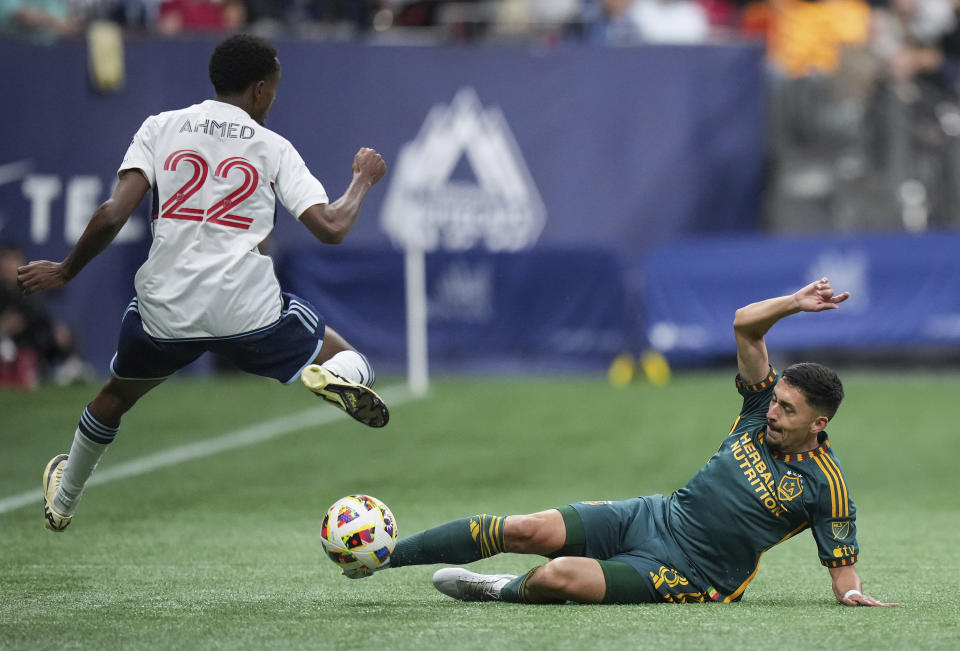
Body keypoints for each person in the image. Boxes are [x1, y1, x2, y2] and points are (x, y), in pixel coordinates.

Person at [17, 33, 389, 533]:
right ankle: (342, 379)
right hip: (247, 310)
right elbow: (332, 227)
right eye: (273, 92)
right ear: (259, 90)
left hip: (166, 311)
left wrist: (64, 269)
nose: (272, 102)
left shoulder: (161, 127)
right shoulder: (273, 147)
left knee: (113, 398)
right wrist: (363, 178)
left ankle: (63, 501)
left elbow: (110, 215)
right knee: (345, 352)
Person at [353, 278, 898, 607]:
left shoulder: (827, 486)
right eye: (775, 399)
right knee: (525, 528)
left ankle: (495, 588)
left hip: (693, 574)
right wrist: (793, 303)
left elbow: (842, 571)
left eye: (788, 409)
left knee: (559, 575)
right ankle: (379, 558)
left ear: (819, 423)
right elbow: (744, 326)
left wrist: (851, 594)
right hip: (654, 517)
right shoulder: (759, 410)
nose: (773, 412)